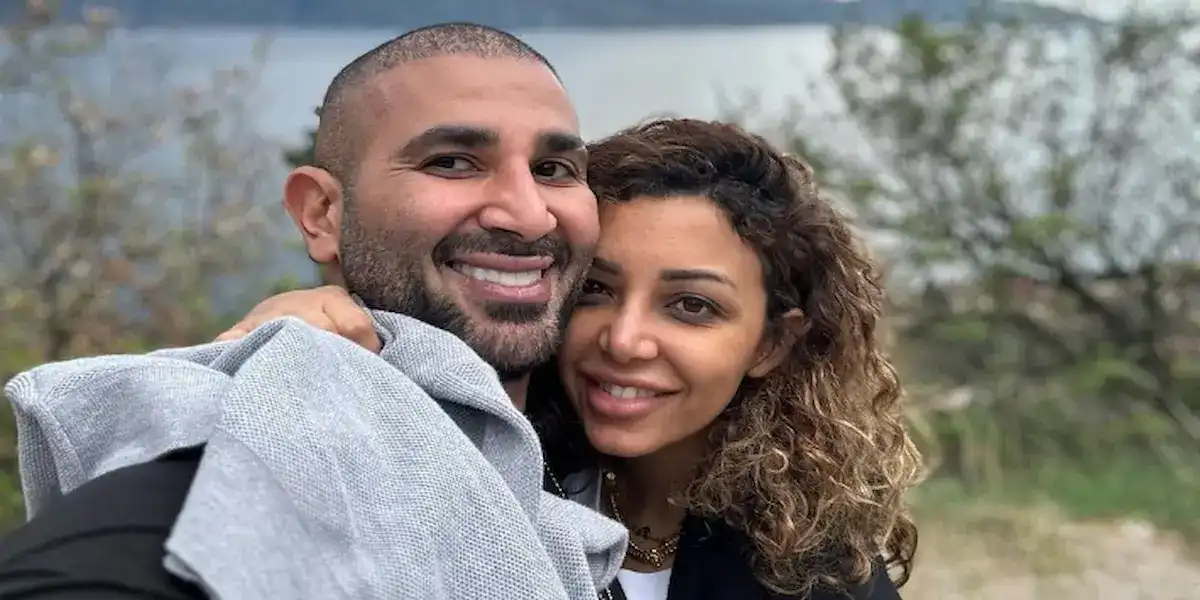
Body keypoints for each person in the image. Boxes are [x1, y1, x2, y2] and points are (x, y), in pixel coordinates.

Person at [0, 22, 627, 600]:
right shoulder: (253, 458)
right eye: (452, 162)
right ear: (321, 213)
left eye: (553, 169)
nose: (528, 214)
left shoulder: (604, 445)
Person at [208, 119, 923, 599]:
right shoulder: (486, 467)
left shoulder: (814, 574)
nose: (624, 340)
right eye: (597, 290)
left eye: (691, 306)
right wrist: (304, 332)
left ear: (771, 343)